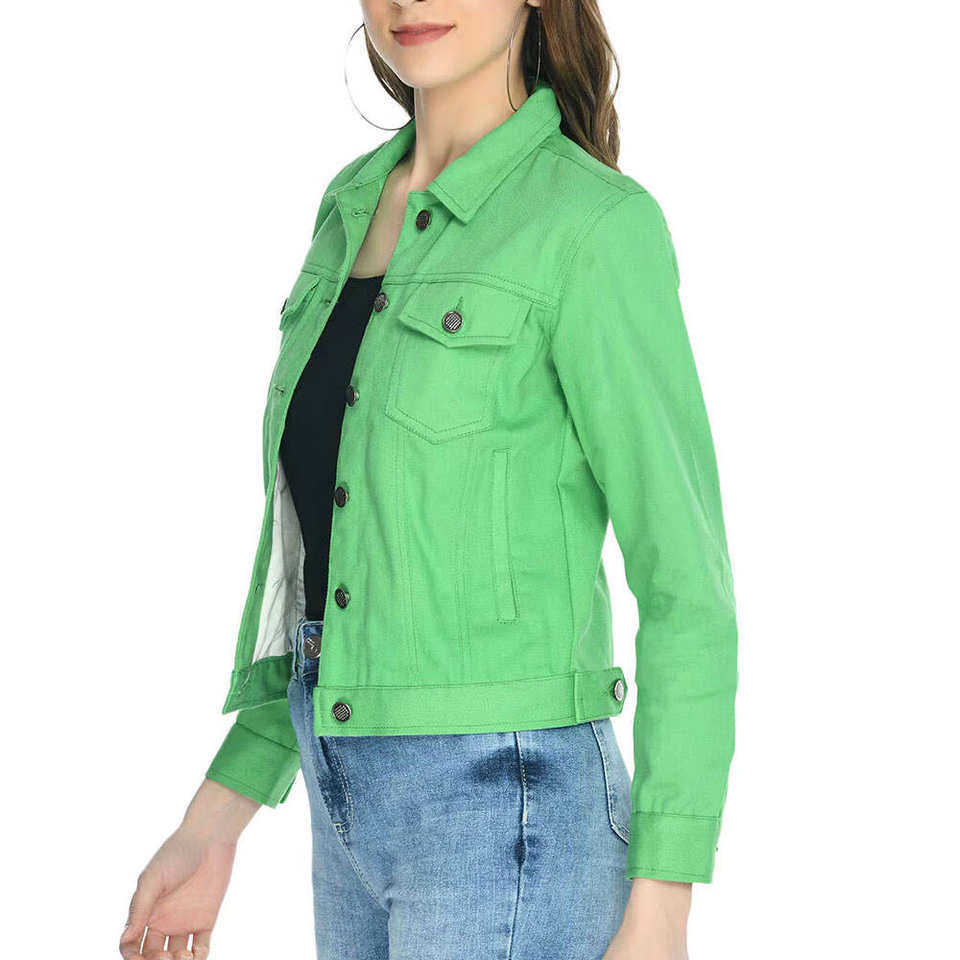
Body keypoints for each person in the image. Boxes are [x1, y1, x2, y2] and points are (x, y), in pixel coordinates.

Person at [119, 2, 738, 958]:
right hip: (344, 811)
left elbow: (686, 584)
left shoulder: (593, 225)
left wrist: (664, 900)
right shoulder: (350, 206)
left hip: (511, 812)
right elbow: (323, 559)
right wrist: (216, 818)